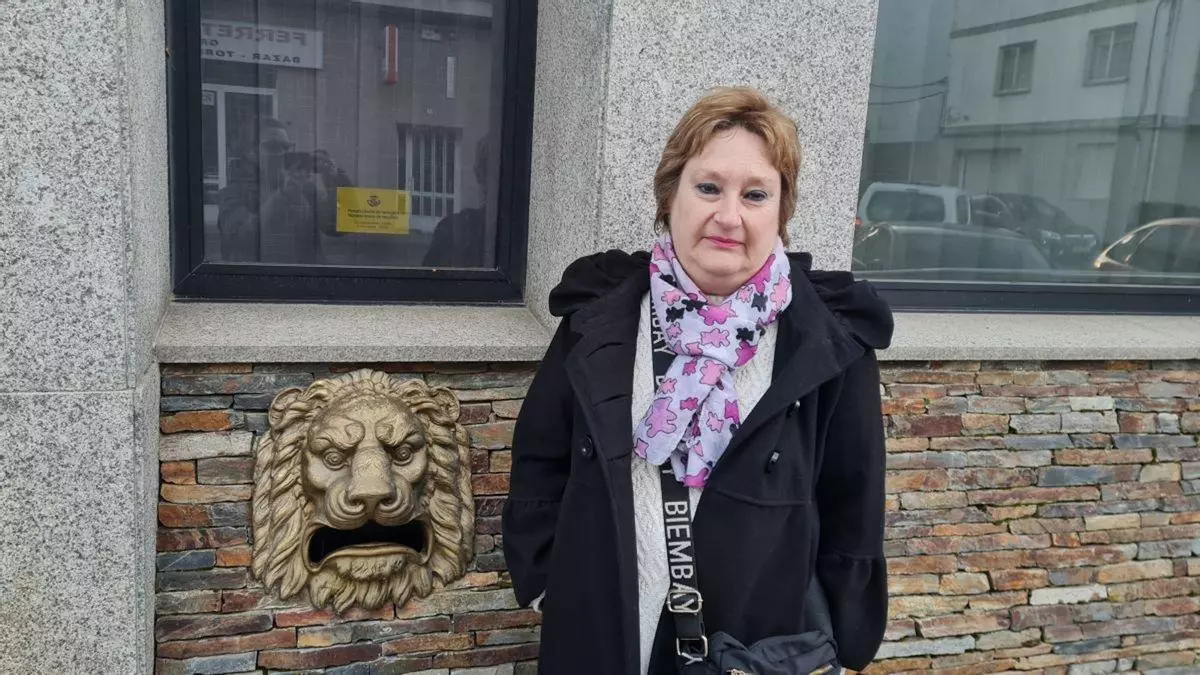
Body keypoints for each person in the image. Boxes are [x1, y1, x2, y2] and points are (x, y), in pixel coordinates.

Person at [502, 87, 893, 675]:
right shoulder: (599, 315)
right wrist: (545, 584)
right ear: (671, 196)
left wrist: (835, 640)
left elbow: (853, 506)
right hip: (599, 630)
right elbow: (541, 453)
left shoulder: (827, 341)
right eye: (708, 187)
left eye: (755, 194)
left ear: (780, 211)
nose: (729, 217)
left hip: (748, 648)